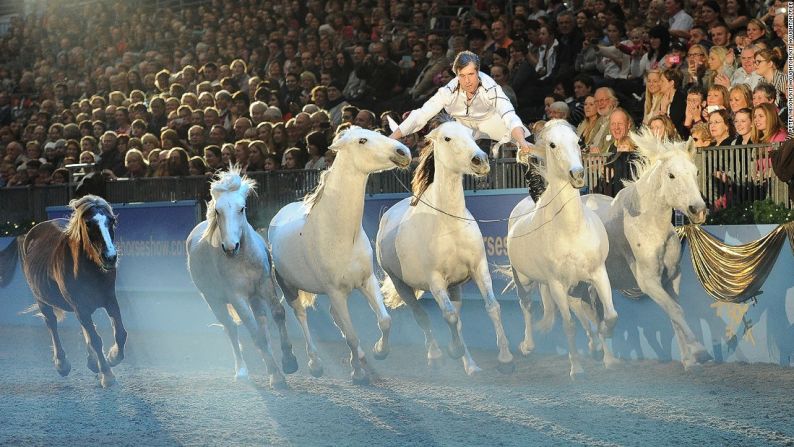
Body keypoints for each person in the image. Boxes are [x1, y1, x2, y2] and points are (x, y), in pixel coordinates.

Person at [389, 51, 532, 158]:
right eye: (462, 76)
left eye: (471, 74)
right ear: (456, 74)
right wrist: (390, 140)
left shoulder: (490, 88)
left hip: (491, 121)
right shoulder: (447, 91)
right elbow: (421, 115)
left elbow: (509, 115)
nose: (467, 81)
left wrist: (522, 143)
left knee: (527, 141)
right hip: (462, 126)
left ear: (478, 71)